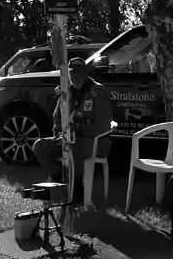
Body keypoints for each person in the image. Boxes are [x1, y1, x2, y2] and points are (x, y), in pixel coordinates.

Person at [32, 57, 114, 200]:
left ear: (86, 72)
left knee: (74, 146)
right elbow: (57, 119)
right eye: (72, 73)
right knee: (40, 146)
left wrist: (78, 130)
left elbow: (103, 126)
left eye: (79, 72)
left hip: (94, 142)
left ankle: (77, 189)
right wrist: (59, 133)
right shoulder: (65, 93)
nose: (75, 76)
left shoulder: (98, 92)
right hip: (68, 138)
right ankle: (60, 179)